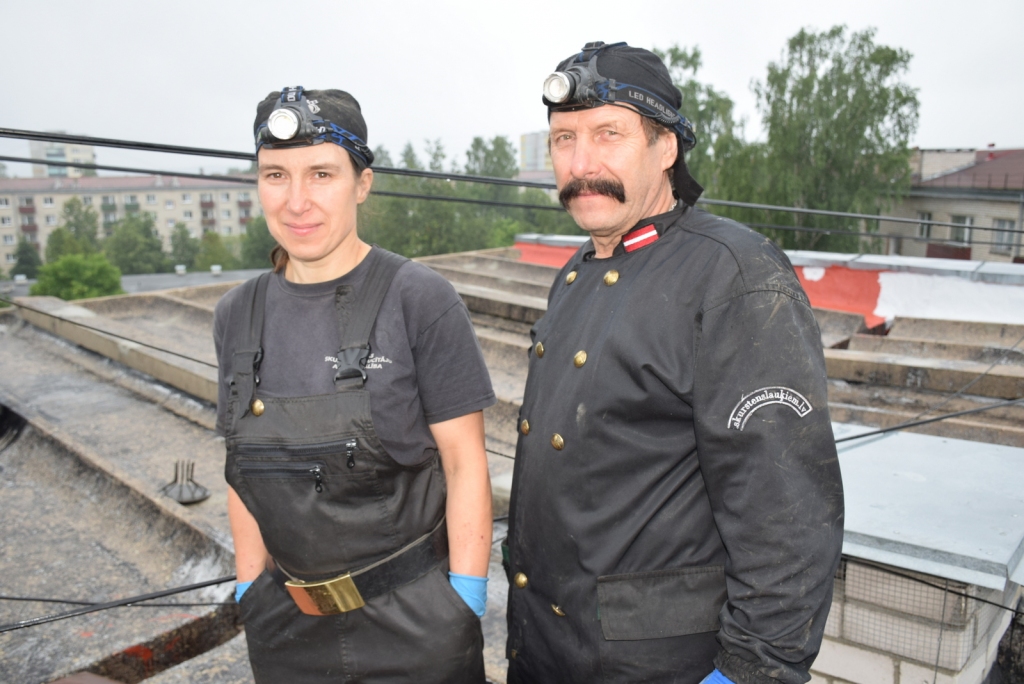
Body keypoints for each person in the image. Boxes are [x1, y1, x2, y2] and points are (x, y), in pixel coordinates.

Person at [504, 43, 844, 684]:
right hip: (546, 648)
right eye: (564, 139)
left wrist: (750, 671)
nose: (582, 163)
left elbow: (788, 517)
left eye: (608, 134)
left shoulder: (735, 276)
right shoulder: (576, 271)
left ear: (666, 148)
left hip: (655, 664)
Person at [214, 87, 494, 683]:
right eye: (275, 175)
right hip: (286, 629)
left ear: (362, 183)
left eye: (321, 174)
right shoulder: (236, 315)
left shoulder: (420, 299)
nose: (296, 201)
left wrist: (464, 600)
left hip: (417, 626)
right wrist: (248, 587)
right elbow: (241, 467)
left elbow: (465, 461)